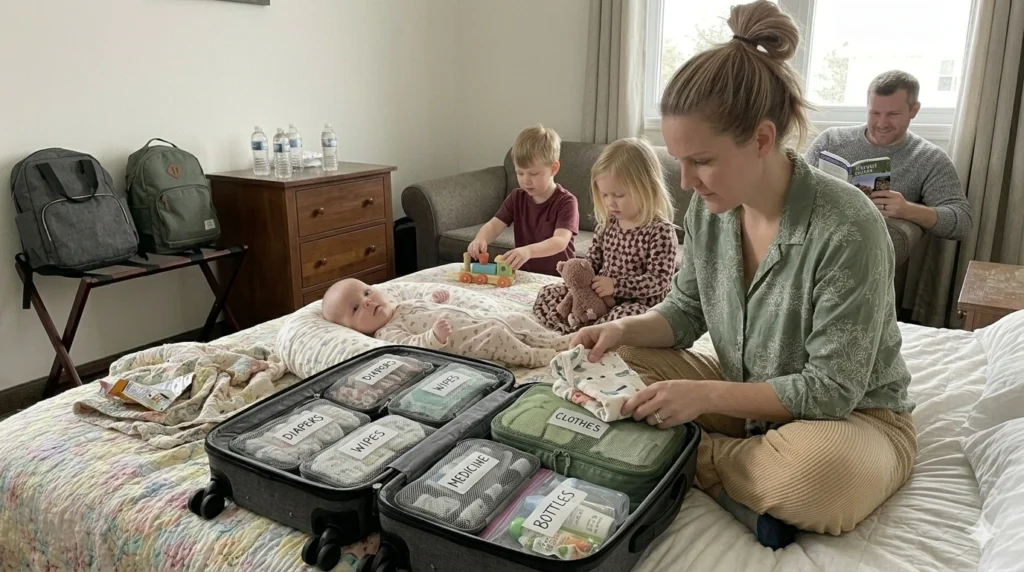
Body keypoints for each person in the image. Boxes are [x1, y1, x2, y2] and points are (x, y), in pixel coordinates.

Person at [570, 0, 917, 550]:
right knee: (612, 363)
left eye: (702, 161)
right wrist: (622, 330)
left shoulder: (848, 226)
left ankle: (686, 458)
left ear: (761, 139)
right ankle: (720, 465)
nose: (685, 182)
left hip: (853, 418)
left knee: (817, 480)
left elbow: (830, 391)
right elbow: (684, 314)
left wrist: (701, 396)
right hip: (745, 396)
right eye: (678, 160)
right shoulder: (709, 213)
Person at [803, 70, 973, 240]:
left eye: (893, 114)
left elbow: (962, 222)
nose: (882, 123)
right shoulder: (831, 139)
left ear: (914, 110)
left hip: (863, 242)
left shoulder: (929, 158)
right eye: (874, 113)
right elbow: (795, 183)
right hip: (813, 232)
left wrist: (907, 210)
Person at [533, 137, 678, 333]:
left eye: (619, 195)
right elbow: (592, 261)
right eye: (604, 195)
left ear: (647, 188)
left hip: (636, 303)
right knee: (549, 293)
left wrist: (616, 286)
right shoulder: (608, 224)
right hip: (598, 296)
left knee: (629, 319)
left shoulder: (660, 231)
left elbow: (659, 281)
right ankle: (583, 319)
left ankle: (591, 325)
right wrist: (577, 277)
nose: (610, 203)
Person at [321, 278, 571, 368]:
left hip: (477, 320)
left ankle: (556, 340)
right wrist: (433, 337)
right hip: (470, 340)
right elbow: (411, 345)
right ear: (350, 329)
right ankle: (537, 357)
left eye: (366, 293)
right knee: (499, 337)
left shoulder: (400, 305)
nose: (366, 302)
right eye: (355, 308)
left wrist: (434, 299)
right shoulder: (387, 332)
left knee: (515, 320)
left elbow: (424, 308)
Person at [468, 125, 580, 276]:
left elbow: (560, 241)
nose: (526, 180)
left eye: (533, 173)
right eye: (520, 173)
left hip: (557, 278)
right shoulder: (516, 197)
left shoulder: (566, 202)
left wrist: (528, 251)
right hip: (524, 276)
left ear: (554, 168)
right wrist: (481, 239)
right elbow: (494, 225)